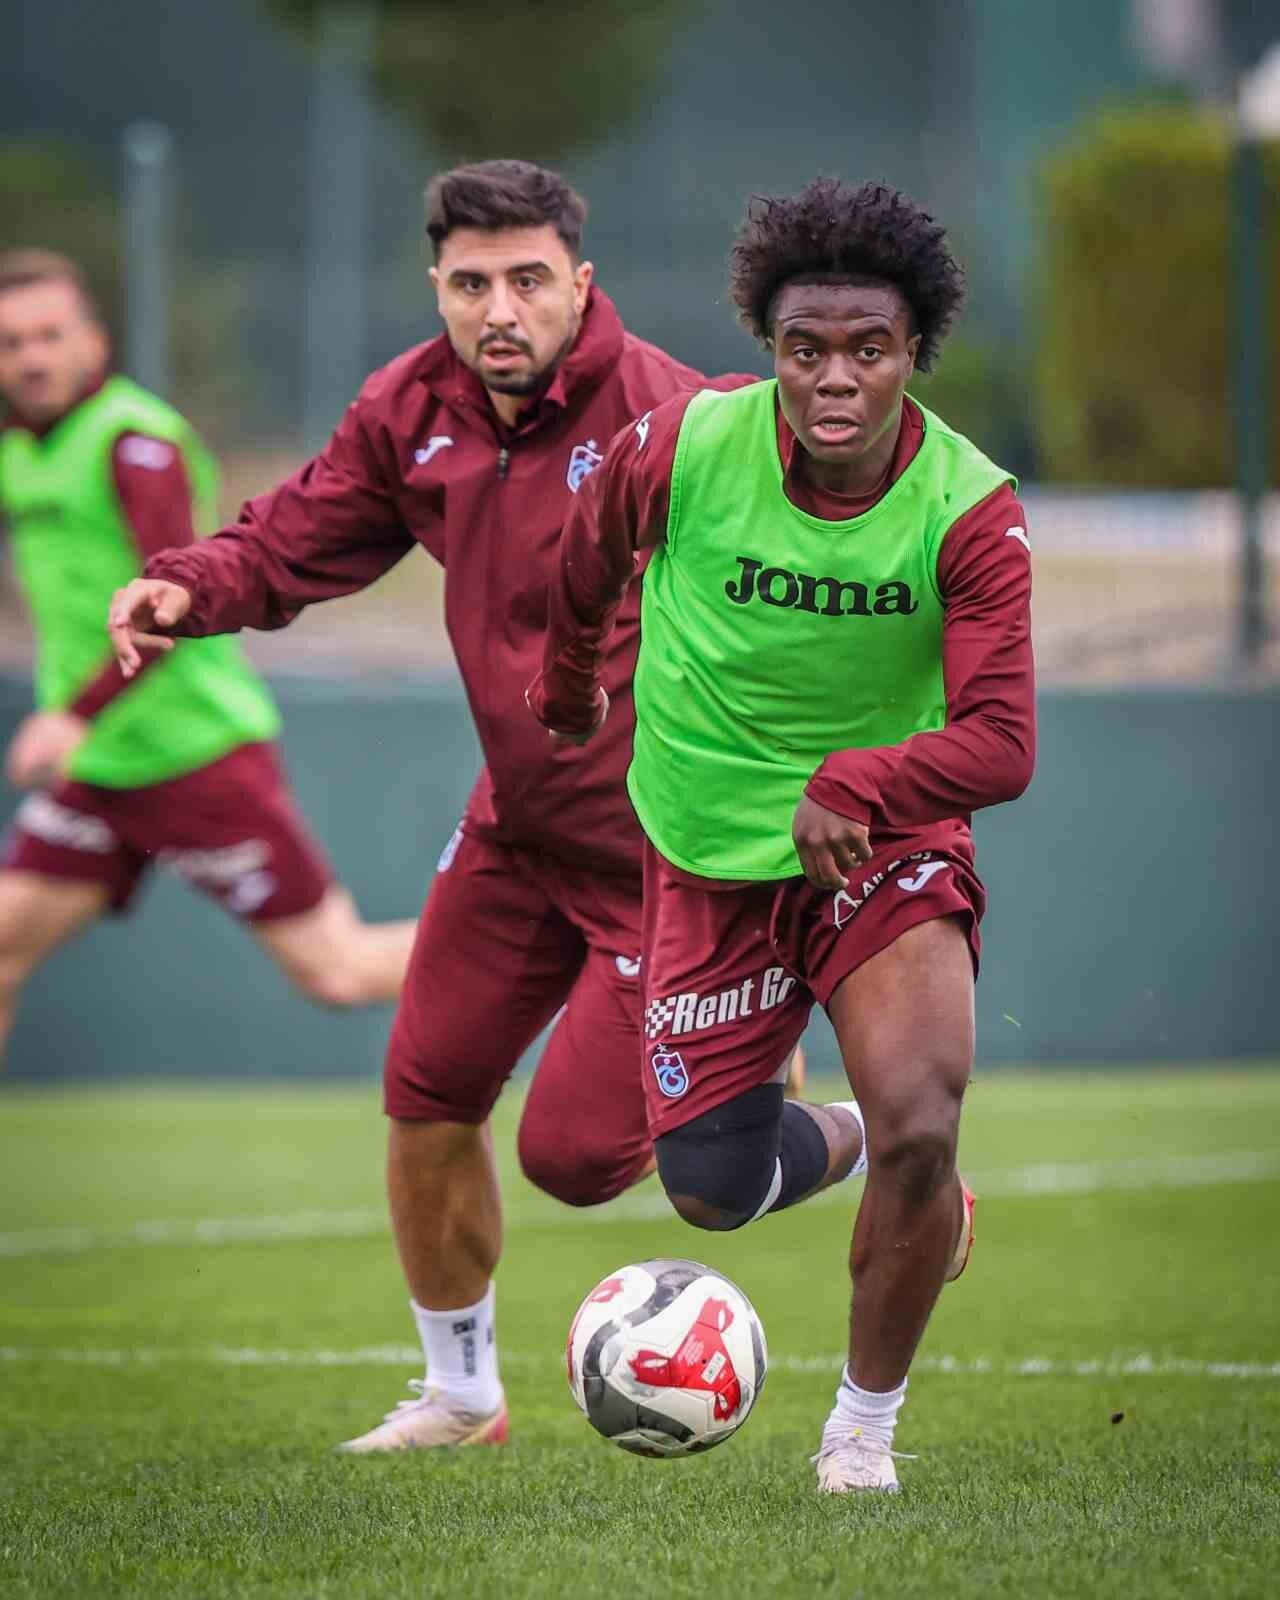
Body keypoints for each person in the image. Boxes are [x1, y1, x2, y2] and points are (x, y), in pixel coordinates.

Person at [107, 160, 816, 1454]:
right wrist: (188, 585)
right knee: (426, 1094)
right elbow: (292, 536)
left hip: (665, 856)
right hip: (516, 829)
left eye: (528, 279)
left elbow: (801, 581)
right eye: (472, 282)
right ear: (436, 285)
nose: (500, 308)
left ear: (580, 284)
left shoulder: (674, 413)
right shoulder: (411, 406)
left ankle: (864, 1131)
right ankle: (462, 1395)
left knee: (576, 1161)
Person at [529, 177, 1035, 1493]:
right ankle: (856, 1137)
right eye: (806, 349)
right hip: (706, 854)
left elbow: (1002, 742)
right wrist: (571, 677)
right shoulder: (682, 447)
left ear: (913, 350)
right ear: (771, 347)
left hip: (881, 847)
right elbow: (588, 551)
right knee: (710, 1187)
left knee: (925, 1117)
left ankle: (860, 1435)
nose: (836, 378)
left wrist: (864, 777)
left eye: (869, 349)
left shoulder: (969, 508)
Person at [0, 251, 416, 1060]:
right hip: (100, 768)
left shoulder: (134, 443)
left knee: (340, 970)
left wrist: (71, 716)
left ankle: (556, 951)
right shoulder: (19, 451)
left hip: (194, 751)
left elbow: (167, 610)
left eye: (50, 336)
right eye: (12, 343)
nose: (32, 358)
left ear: (94, 341)